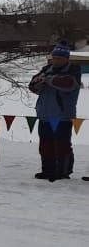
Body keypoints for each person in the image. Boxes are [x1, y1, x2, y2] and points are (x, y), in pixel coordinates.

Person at [29, 42, 81, 182]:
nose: (56, 61)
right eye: (54, 58)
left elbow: (68, 84)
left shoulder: (74, 70)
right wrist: (38, 82)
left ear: (66, 58)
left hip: (61, 115)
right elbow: (32, 86)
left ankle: (62, 172)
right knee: (45, 145)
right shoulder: (46, 69)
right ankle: (48, 170)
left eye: (59, 58)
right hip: (44, 114)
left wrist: (48, 80)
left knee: (61, 145)